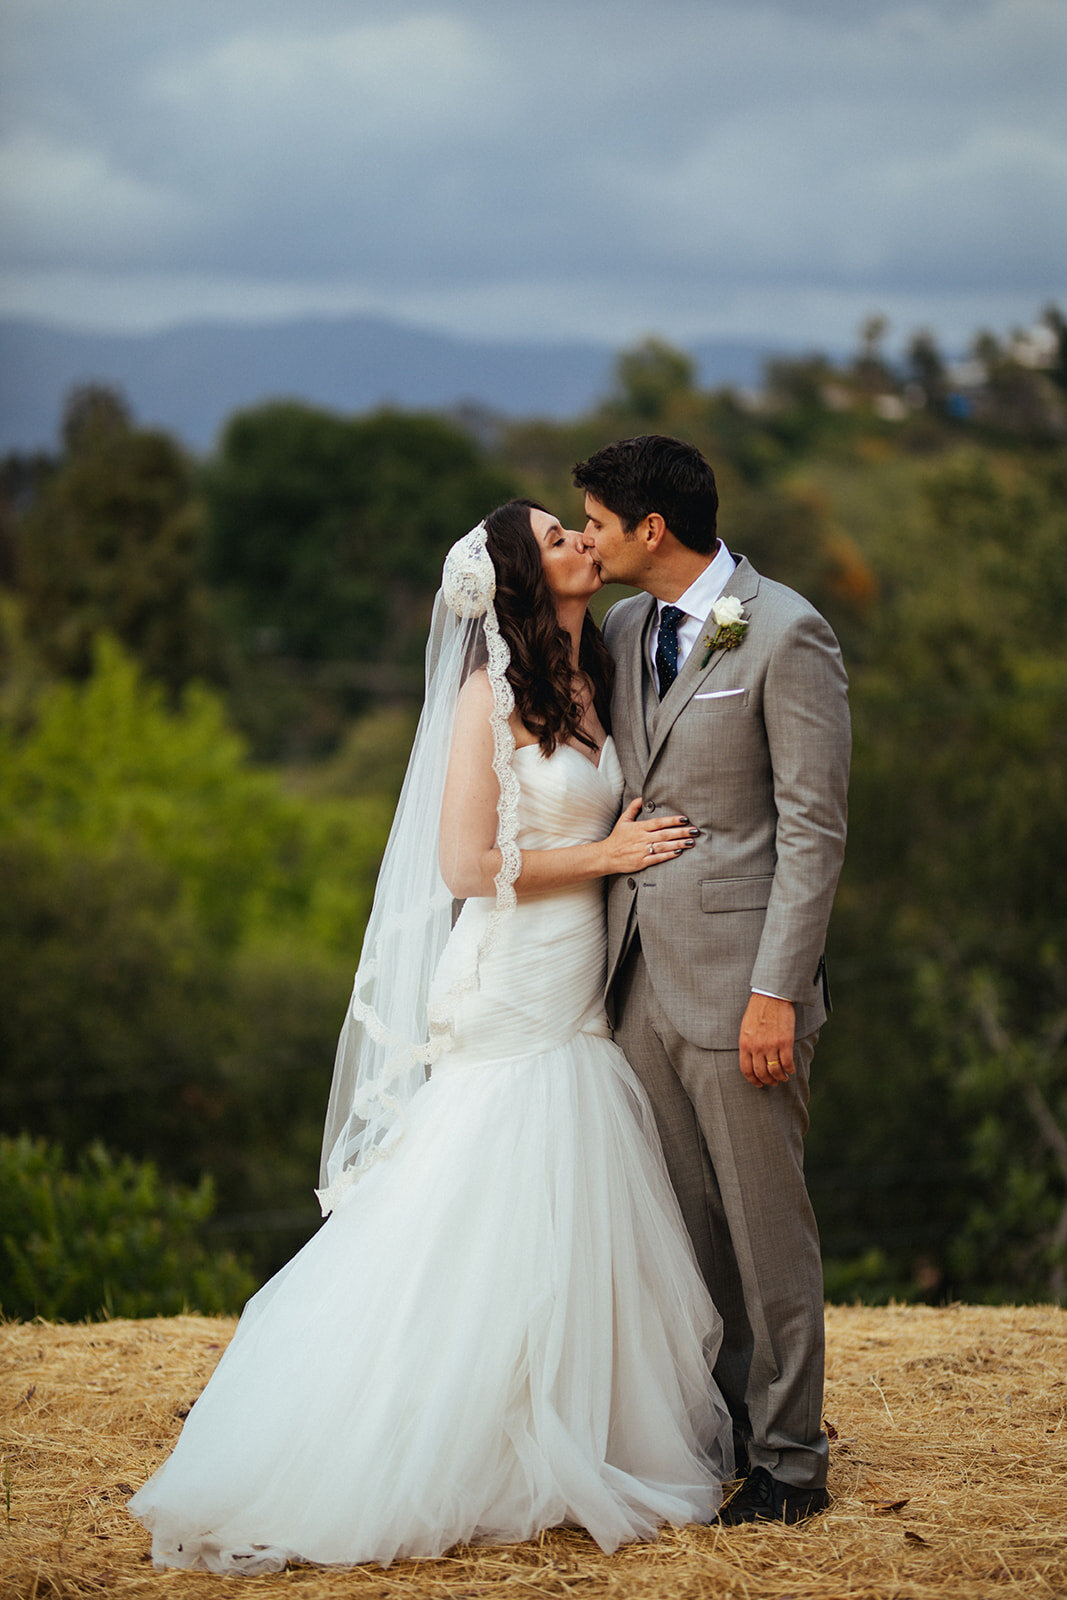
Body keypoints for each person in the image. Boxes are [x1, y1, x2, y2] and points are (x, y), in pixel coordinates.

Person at [128, 499, 733, 1573]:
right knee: (491, 1179)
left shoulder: (594, 674)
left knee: (569, 1190)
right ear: (515, 578)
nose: (581, 544)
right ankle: (412, 1434)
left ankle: (559, 1422)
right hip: (511, 981)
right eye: (556, 538)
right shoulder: (481, 696)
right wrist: (606, 859)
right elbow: (464, 868)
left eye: (577, 530)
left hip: (579, 983)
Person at [573, 436, 851, 1525]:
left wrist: (776, 991)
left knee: (763, 1228)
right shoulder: (624, 625)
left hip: (743, 989)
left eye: (594, 520)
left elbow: (814, 830)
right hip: (633, 978)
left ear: (650, 528)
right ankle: (728, 1433)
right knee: (687, 1233)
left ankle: (789, 1463)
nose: (586, 539)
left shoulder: (785, 632)